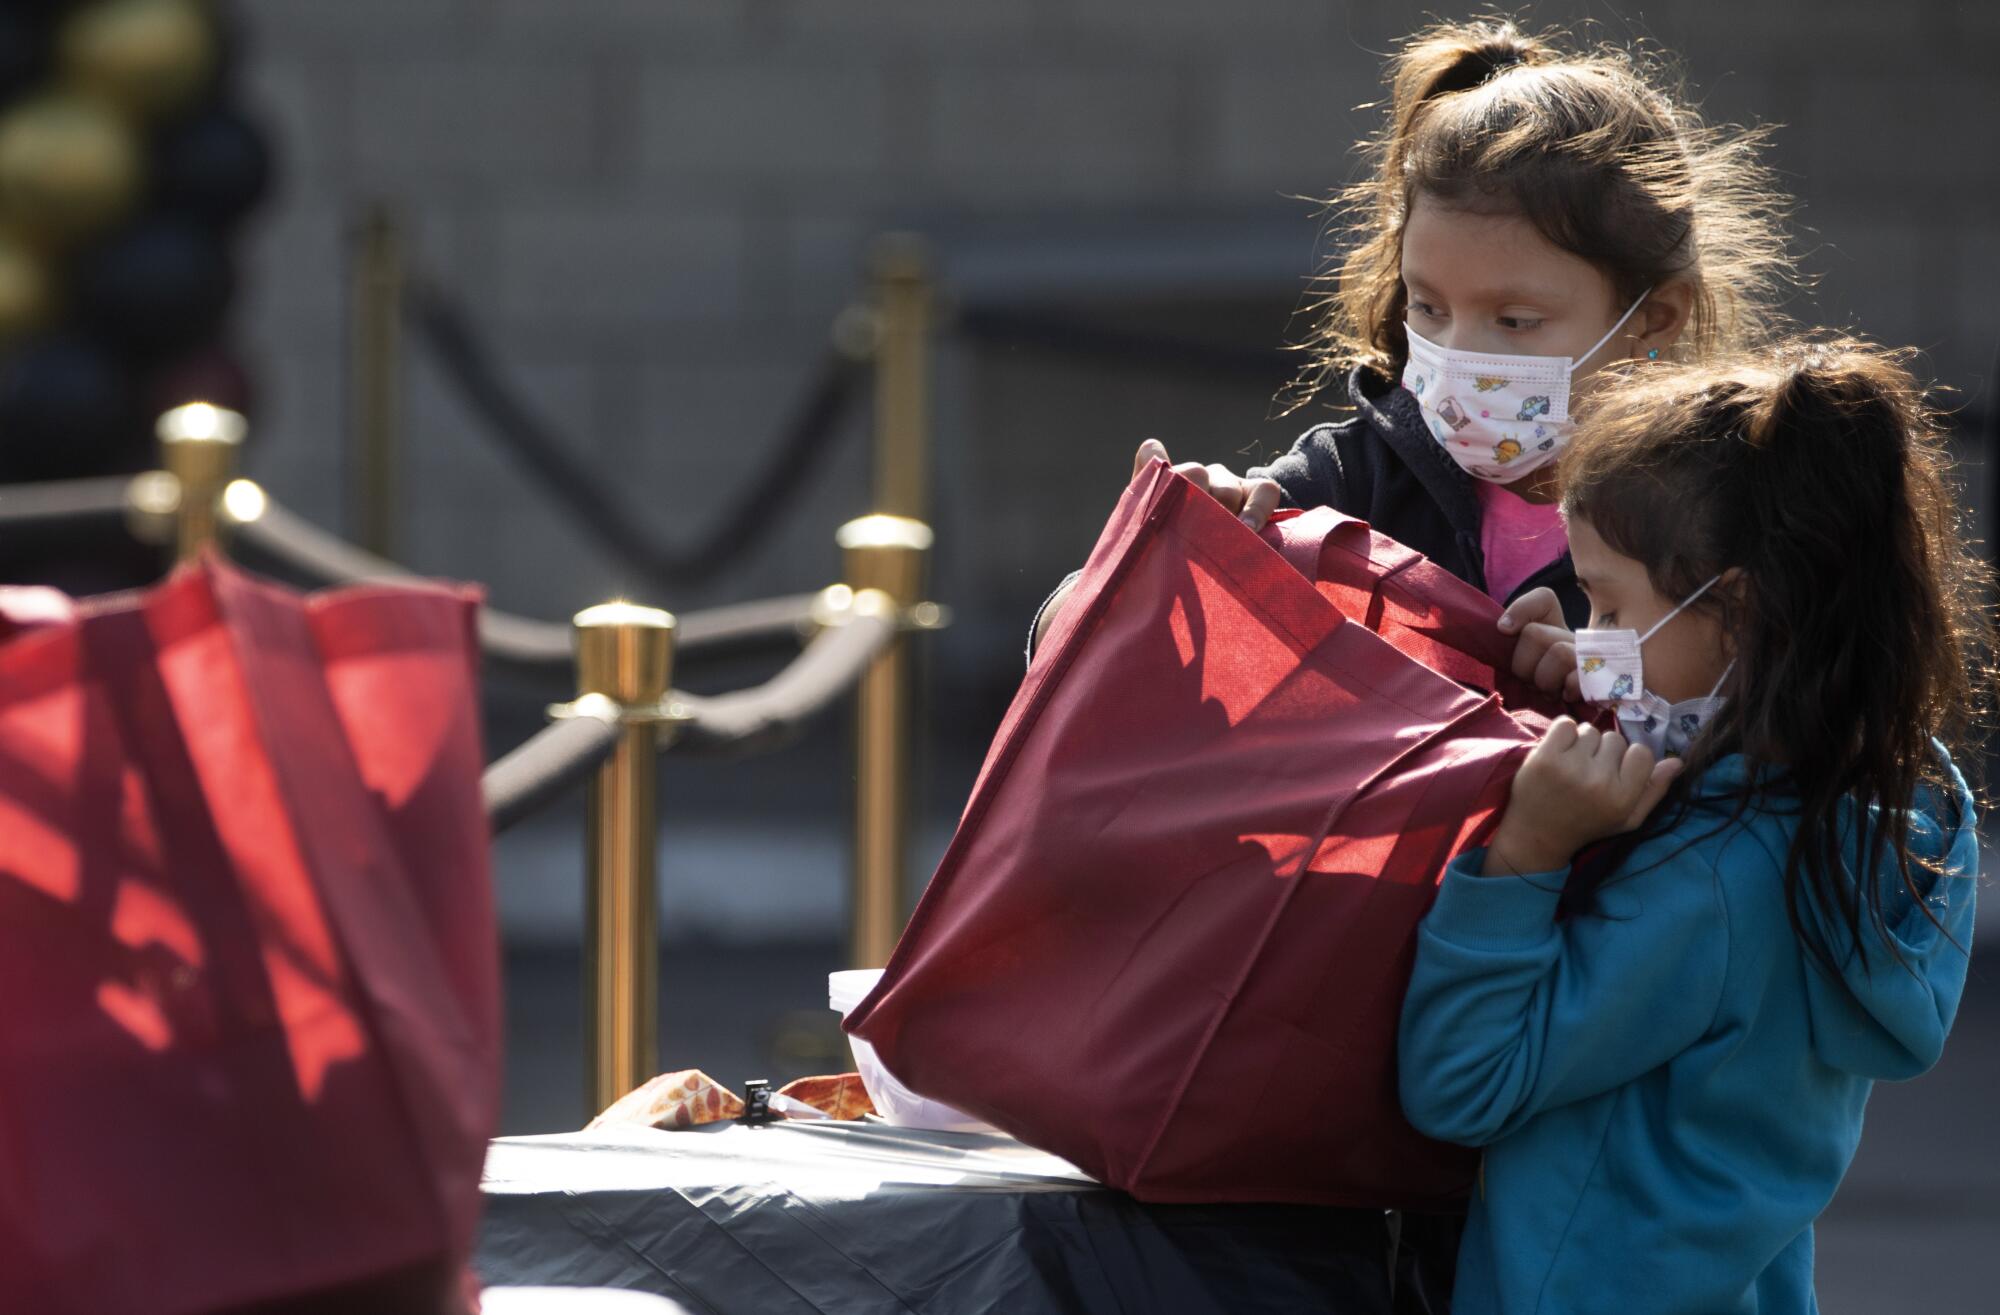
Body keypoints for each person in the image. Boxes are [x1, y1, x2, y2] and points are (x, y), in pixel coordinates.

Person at [1398, 339, 1990, 1314]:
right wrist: (1586, 684)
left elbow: (1460, 1083)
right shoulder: (1869, 814)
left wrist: (1523, 855)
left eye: (1607, 602)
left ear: (1735, 613)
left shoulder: (1707, 887)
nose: (1591, 637)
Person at [1031, 17, 1793, 652]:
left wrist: (1604, 681)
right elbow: (1072, 648)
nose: (1459, 357)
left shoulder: (1732, 515)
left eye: (1515, 320)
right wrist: (1160, 563)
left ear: (1654, 316)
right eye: (1428, 308)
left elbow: (1808, 741)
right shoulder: (1355, 479)